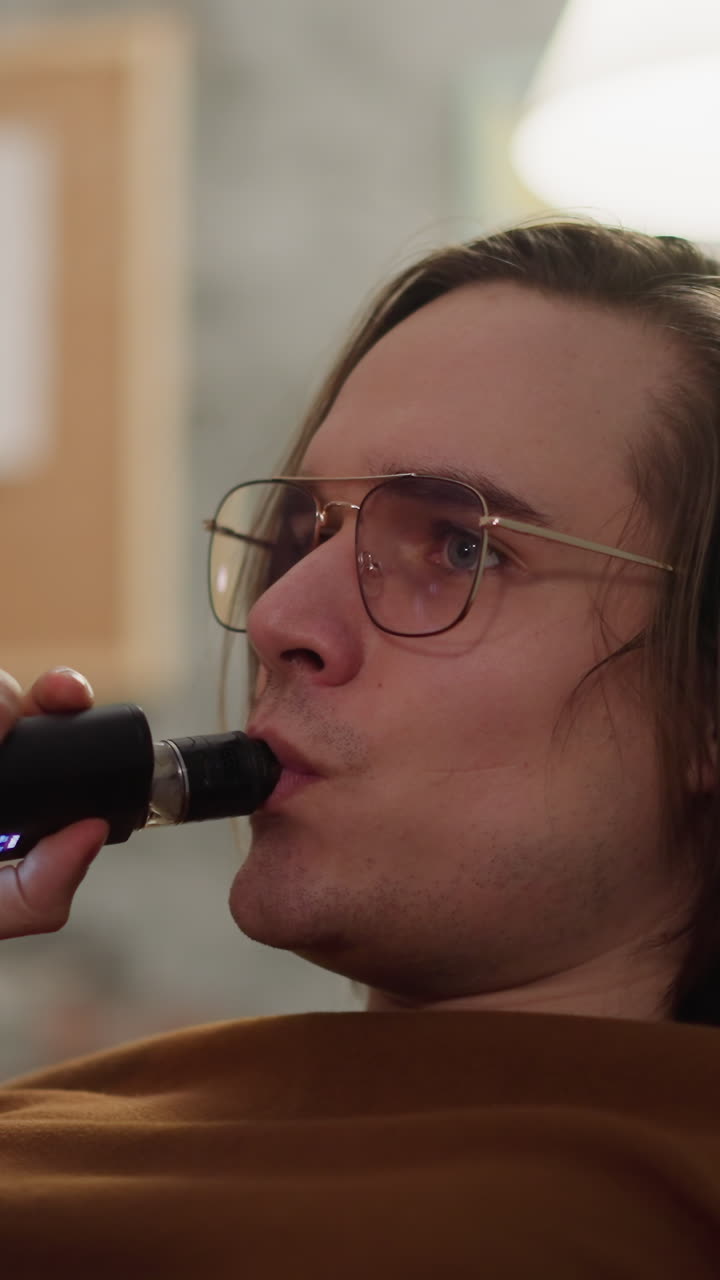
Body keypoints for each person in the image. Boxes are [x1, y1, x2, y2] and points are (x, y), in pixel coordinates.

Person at [1, 217, 720, 1276]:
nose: (278, 616)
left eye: (460, 547)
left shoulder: (646, 1214)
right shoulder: (87, 1111)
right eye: (307, 533)